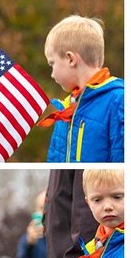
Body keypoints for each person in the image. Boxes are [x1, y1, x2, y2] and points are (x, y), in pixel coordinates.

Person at [42, 15, 124, 163]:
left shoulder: (118, 100)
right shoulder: (65, 109)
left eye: (52, 63)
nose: (52, 74)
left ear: (70, 59)